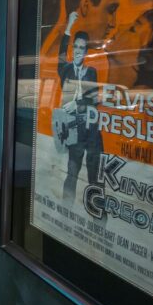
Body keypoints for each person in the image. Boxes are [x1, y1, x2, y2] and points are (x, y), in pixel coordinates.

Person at [57, 12, 102, 203]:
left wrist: (78, 103)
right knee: (72, 173)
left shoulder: (91, 72)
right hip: (74, 131)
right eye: (75, 46)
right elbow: (60, 55)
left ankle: (98, 218)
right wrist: (69, 27)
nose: (77, 51)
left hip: (91, 132)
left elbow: (93, 98)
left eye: (81, 48)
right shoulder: (65, 69)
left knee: (95, 178)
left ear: (85, 53)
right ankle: (66, 209)